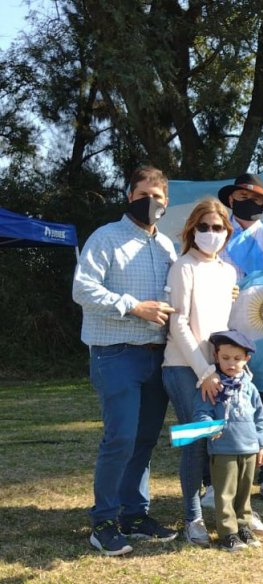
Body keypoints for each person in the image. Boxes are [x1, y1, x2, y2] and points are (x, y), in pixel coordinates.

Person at [72, 165, 178, 555]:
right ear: (129, 196)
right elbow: (82, 289)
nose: (151, 202)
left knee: (145, 440)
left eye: (159, 198)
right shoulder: (106, 237)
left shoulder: (167, 247)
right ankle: (103, 521)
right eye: (143, 195)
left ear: (166, 204)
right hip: (115, 353)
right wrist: (133, 307)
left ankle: (134, 515)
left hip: (157, 356)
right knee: (120, 437)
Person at [161, 198, 236, 546]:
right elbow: (178, 323)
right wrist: (204, 371)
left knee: (220, 441)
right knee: (193, 441)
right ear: (192, 230)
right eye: (203, 227)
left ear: (226, 232)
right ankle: (193, 520)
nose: (210, 233)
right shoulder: (183, 267)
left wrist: (227, 368)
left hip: (218, 371)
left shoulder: (228, 271)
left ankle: (229, 512)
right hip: (182, 367)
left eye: (217, 228)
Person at [217, 173, 263, 509]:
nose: (253, 204)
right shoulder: (216, 233)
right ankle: (212, 481)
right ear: (232, 199)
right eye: (246, 198)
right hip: (227, 337)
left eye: (259, 201)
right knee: (219, 409)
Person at [194, 330, 263, 552]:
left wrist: (261, 445)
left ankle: (243, 526)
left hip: (249, 448)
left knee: (245, 491)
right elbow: (201, 412)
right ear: (216, 357)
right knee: (225, 492)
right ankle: (228, 533)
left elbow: (260, 417)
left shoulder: (250, 387)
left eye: (237, 359)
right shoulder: (213, 386)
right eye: (225, 358)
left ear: (247, 359)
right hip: (223, 449)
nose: (231, 363)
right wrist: (208, 426)